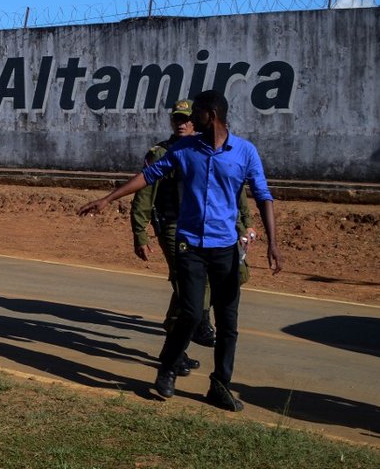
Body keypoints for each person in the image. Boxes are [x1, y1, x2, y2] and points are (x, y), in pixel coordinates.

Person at [79, 90, 281, 412]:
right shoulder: (184, 150)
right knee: (190, 313)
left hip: (225, 249)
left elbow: (262, 195)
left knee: (228, 323)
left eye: (195, 113)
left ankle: (220, 385)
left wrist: (272, 242)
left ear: (210, 115)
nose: (188, 120)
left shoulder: (245, 152)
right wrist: (107, 199)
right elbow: (148, 176)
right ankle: (168, 366)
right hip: (190, 246)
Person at [129, 100, 209, 377]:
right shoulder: (161, 152)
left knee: (195, 286)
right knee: (186, 285)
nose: (182, 123)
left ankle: (178, 345)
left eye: (187, 119)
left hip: (201, 228)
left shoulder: (205, 150)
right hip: (172, 227)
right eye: (177, 119)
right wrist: (140, 233)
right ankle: (173, 350)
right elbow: (144, 194)